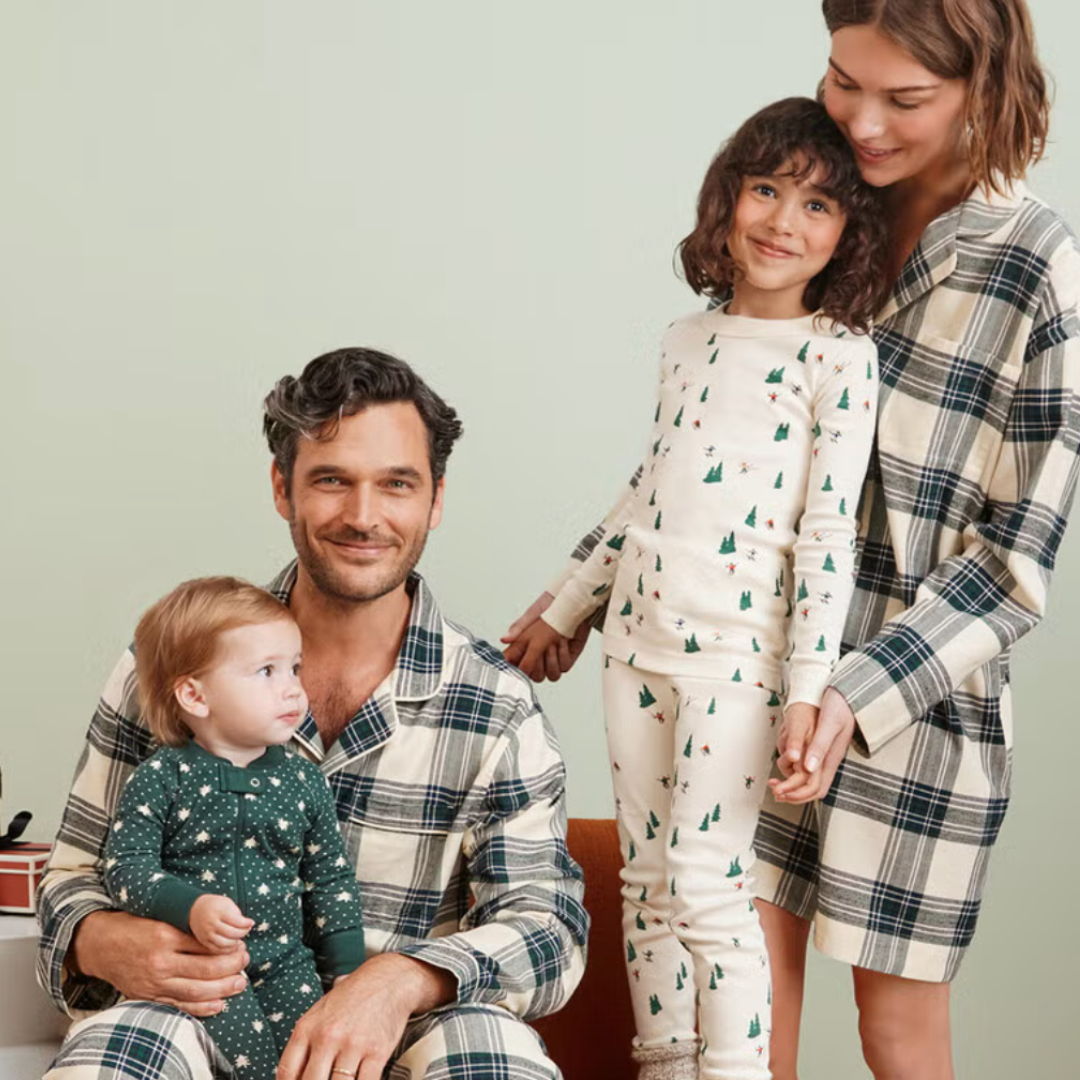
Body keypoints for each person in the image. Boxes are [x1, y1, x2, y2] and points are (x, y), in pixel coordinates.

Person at [503, 2, 1080, 1078]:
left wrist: (851, 695)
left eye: (904, 99)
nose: (863, 123)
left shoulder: (1032, 262)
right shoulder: (817, 193)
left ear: (984, 87)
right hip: (742, 663)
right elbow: (701, 454)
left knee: (896, 1032)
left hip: (908, 704)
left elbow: (1015, 559)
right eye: (842, 81)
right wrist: (581, 587)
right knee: (732, 991)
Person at [39, 348, 588, 1080]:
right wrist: (100, 939)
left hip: (407, 1033)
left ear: (435, 499)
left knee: (489, 1052)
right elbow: (73, 873)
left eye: (397, 484)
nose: (363, 517)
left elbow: (547, 927)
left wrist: (399, 980)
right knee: (118, 1050)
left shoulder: (497, 705)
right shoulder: (168, 665)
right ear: (282, 487)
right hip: (198, 1010)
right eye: (332, 480)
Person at [506, 97, 889, 1080]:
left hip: (738, 661)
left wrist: (807, 692)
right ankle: (664, 1065)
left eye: (816, 205)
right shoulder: (686, 339)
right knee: (645, 885)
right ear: (728, 198)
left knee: (707, 885)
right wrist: (567, 606)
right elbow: (650, 488)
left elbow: (828, 535)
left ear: (847, 233)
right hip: (637, 645)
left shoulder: (839, 357)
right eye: (766, 190)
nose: (783, 221)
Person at [103, 576, 366, 1080]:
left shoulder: (303, 780)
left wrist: (349, 972)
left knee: (312, 1064)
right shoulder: (162, 777)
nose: (292, 687)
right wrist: (190, 907)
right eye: (266, 671)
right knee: (253, 1068)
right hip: (206, 969)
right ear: (195, 695)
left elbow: (331, 880)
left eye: (294, 667)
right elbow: (125, 868)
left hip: (289, 967)